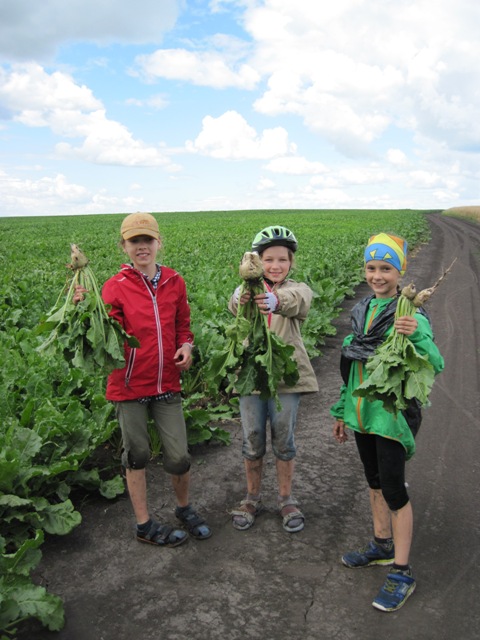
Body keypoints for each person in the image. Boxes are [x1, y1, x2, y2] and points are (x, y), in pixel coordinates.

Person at [75, 212, 211, 547]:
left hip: (167, 383)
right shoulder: (113, 287)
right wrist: (84, 309)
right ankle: (144, 524)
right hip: (129, 386)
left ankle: (183, 508)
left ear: (158, 242)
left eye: (147, 240)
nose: (142, 247)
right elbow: (101, 331)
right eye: (135, 241)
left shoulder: (174, 281)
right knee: (136, 455)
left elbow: (184, 324)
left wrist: (187, 345)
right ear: (124, 246)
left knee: (178, 456)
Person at [331, 232, 444, 612]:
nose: (377, 275)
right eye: (371, 267)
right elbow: (352, 365)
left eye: (386, 268)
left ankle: (401, 570)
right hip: (362, 414)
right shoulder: (362, 310)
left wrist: (419, 340)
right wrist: (341, 411)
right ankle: (381, 545)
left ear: (400, 271)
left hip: (392, 417)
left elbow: (436, 363)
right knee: (375, 482)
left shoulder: (410, 313)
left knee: (395, 490)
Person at [228, 225, 319, 533]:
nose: (275, 266)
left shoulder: (297, 289)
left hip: (285, 380)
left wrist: (274, 301)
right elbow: (234, 302)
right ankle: (252, 497)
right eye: (268, 260)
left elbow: (296, 300)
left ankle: (285, 498)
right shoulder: (246, 291)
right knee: (252, 439)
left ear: (290, 263)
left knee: (284, 438)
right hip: (251, 378)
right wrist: (243, 296)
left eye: (282, 260)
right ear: (257, 262)